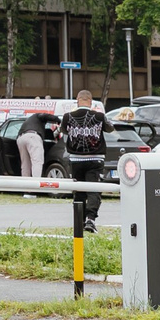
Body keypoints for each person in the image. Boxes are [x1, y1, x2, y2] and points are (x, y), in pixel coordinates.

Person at [59, 88, 110, 235]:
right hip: (96, 158)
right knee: (94, 189)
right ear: (91, 101)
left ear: (78, 100)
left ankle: (78, 221)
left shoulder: (67, 116)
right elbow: (110, 128)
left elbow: (64, 131)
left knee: (79, 191)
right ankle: (90, 219)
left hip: (75, 159)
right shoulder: (100, 116)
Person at [14, 110, 46, 183]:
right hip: (33, 137)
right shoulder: (38, 116)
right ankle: (36, 184)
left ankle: (26, 187)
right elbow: (46, 116)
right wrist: (58, 120)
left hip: (20, 138)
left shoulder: (29, 121)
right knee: (37, 161)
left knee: (25, 164)